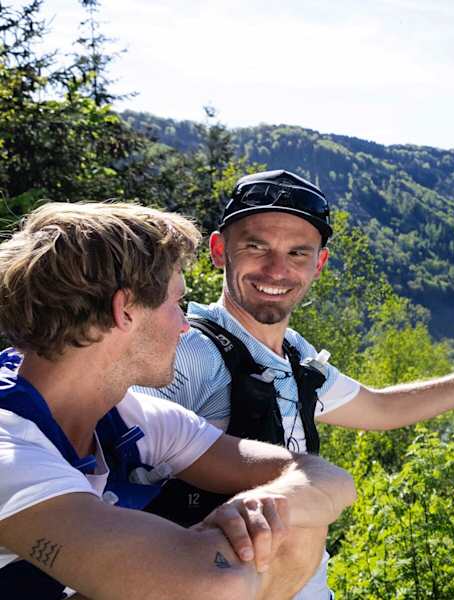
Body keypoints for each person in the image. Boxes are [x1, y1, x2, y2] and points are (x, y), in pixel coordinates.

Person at [134, 170, 454, 599]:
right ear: (220, 251)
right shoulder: (189, 352)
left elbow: (380, 409)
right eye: (256, 247)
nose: (277, 270)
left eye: (298, 253)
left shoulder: (294, 357)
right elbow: (106, 489)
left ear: (320, 264)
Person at [0, 202, 357, 600]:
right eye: (175, 303)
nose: (185, 324)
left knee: (295, 524)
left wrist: (262, 504)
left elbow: (327, 478)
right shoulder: (10, 452)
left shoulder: (129, 417)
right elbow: (211, 584)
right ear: (125, 310)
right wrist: (244, 536)